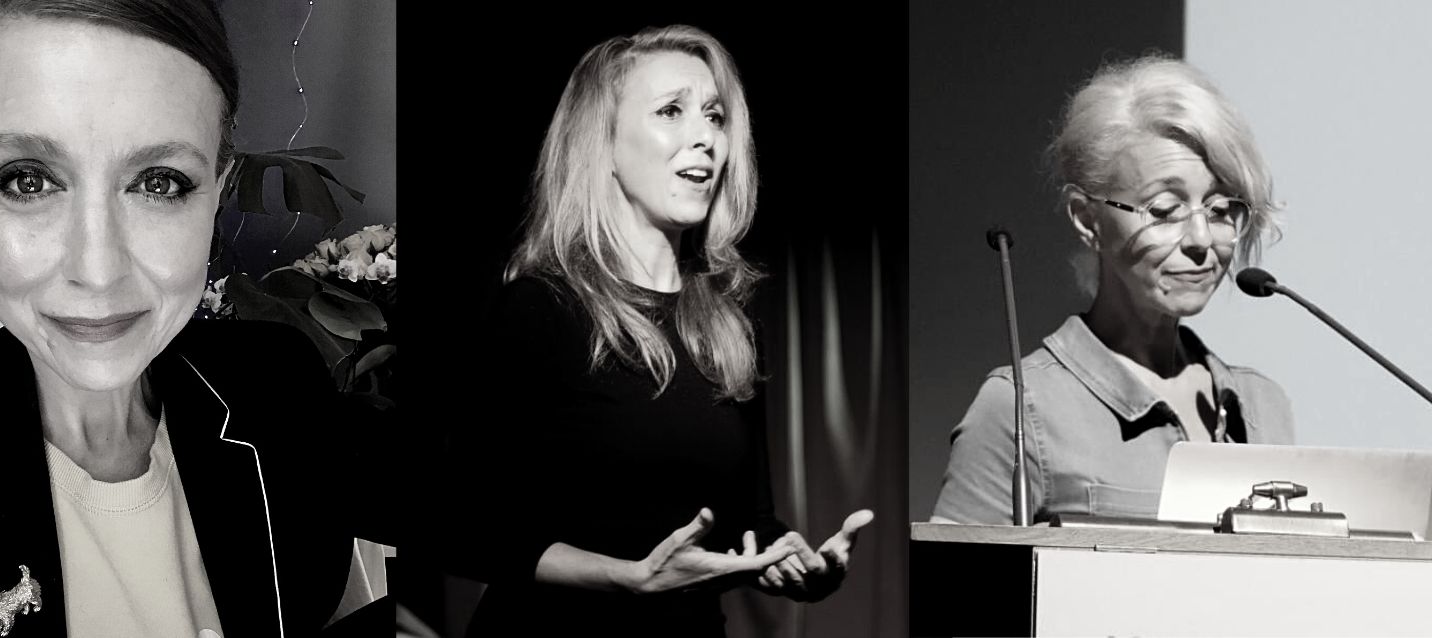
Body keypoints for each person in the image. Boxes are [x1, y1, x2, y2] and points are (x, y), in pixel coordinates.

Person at [0, 1, 393, 635]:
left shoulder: (278, 382)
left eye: (158, 182)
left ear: (217, 186)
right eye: (28, 180)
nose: (98, 271)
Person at [446, 24, 873, 637]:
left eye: (715, 118)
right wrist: (630, 578)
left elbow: (747, 520)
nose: (704, 138)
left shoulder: (728, 320)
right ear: (605, 145)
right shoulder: (541, 307)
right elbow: (466, 530)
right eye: (671, 111)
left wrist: (788, 562)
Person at [931, 55, 1296, 526]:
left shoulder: (1262, 406)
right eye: (1165, 210)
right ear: (1087, 219)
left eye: (1222, 208)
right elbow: (951, 591)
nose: (1202, 240)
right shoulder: (1023, 407)